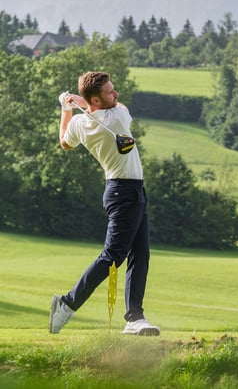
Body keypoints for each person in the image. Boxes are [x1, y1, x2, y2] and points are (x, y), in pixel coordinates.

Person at [49, 71, 160, 336]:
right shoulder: (117, 116)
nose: (116, 94)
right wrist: (82, 103)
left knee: (140, 253)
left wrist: (67, 108)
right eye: (111, 91)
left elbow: (64, 142)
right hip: (125, 192)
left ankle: (134, 317)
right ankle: (67, 303)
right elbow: (121, 107)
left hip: (124, 190)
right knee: (113, 256)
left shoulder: (80, 123)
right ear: (97, 99)